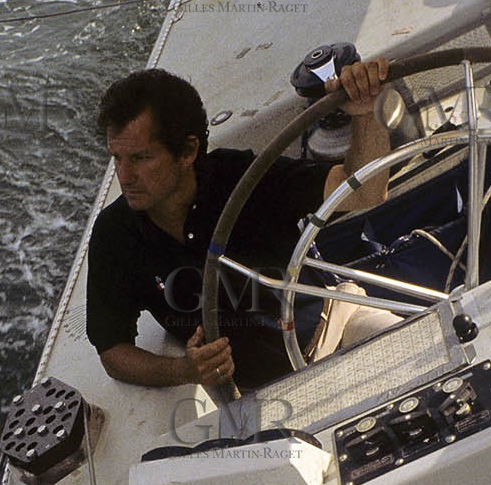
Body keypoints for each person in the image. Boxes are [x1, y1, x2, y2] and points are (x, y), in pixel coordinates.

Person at [85, 59, 390, 390]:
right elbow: (113, 351)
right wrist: (184, 371)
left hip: (335, 328)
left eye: (141, 158)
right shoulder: (114, 235)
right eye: (117, 157)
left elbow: (365, 194)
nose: (124, 177)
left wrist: (364, 110)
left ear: (188, 151)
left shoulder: (242, 178)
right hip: (253, 393)